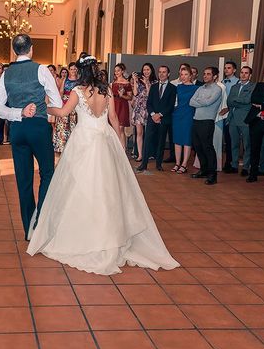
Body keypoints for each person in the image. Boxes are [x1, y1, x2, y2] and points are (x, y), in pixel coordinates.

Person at [27, 55, 180, 275]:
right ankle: (109, 234)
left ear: (81, 72)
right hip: (104, 139)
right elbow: (115, 121)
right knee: (107, 191)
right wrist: (120, 147)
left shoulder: (78, 91)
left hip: (83, 141)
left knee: (80, 188)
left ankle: (84, 234)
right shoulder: (107, 90)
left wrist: (45, 107)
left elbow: (62, 113)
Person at [0, 34, 63, 241]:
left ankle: (28, 230)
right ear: (31, 49)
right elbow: (57, 103)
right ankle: (40, 221)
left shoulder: (6, 74)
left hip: (17, 130)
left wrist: (19, 113)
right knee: (48, 173)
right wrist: (40, 109)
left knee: (23, 180)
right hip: (39, 128)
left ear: (14, 51)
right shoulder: (41, 69)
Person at [136, 66, 177, 172]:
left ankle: (158, 164)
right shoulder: (153, 87)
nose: (161, 74)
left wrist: (160, 115)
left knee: (161, 142)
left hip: (164, 119)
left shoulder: (173, 88)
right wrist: (154, 115)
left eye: (164, 72)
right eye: (160, 72)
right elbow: (149, 103)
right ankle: (144, 164)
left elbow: (171, 105)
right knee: (147, 141)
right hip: (152, 118)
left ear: (168, 74)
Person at [189, 67, 223, 185]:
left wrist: (200, 100)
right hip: (196, 120)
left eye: (208, 74)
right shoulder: (200, 88)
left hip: (207, 121)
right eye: (204, 74)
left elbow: (209, 102)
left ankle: (212, 175)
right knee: (198, 147)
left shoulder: (217, 89)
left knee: (207, 147)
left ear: (214, 77)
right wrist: (203, 101)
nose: (205, 76)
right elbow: (191, 102)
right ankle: (203, 170)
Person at [226, 66, 255, 175]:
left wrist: (236, 100)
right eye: (242, 72)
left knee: (247, 145)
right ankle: (234, 165)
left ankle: (246, 167)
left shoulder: (253, 86)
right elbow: (229, 102)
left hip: (245, 119)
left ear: (250, 75)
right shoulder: (234, 87)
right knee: (234, 143)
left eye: (246, 73)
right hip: (233, 118)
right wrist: (239, 102)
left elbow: (248, 101)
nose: (243, 75)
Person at [171, 67, 199, 174]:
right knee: (177, 140)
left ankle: (184, 164)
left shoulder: (196, 88)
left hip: (189, 116)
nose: (183, 77)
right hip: (177, 115)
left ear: (191, 75)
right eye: (181, 74)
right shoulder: (177, 87)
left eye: (186, 74)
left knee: (187, 140)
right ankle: (177, 163)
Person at [130, 63, 156, 162]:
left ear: (151, 70)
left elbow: (150, 95)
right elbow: (135, 93)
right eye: (144, 70)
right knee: (139, 133)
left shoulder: (155, 82)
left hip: (149, 109)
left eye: (148, 69)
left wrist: (146, 83)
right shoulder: (139, 82)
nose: (146, 71)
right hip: (139, 109)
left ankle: (147, 154)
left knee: (148, 133)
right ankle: (140, 154)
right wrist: (136, 81)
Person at [53, 62, 79, 153]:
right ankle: (62, 145)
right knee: (63, 124)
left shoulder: (79, 80)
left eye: (75, 69)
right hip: (65, 101)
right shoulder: (65, 79)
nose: (73, 71)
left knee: (74, 123)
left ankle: (74, 147)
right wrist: (60, 102)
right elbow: (61, 91)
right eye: (71, 69)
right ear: (69, 70)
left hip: (75, 103)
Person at [221, 61, 239, 173]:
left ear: (234, 70)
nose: (226, 70)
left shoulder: (238, 82)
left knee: (231, 139)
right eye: (225, 68)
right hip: (221, 114)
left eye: (229, 68)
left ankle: (230, 162)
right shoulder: (222, 82)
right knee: (223, 139)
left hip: (232, 113)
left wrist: (228, 107)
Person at [111, 63, 133, 149]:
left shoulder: (127, 83)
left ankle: (123, 150)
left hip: (123, 106)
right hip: (114, 105)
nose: (116, 72)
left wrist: (122, 95)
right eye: (115, 70)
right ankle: (115, 150)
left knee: (120, 129)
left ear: (122, 71)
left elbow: (130, 97)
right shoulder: (113, 83)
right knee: (114, 129)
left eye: (118, 70)